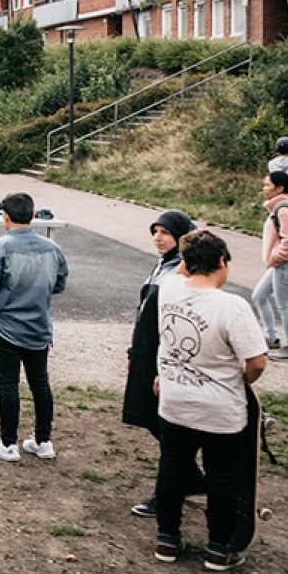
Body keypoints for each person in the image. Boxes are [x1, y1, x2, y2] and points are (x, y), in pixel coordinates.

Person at [152, 229, 268, 571]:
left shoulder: (169, 290)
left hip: (174, 402)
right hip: (221, 410)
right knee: (222, 477)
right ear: (222, 262)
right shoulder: (231, 306)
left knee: (172, 469)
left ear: (185, 264)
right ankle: (219, 548)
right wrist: (243, 379)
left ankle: (167, 539)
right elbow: (257, 361)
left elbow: (178, 274)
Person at [0, 192, 69, 463]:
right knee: (40, 383)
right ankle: (43, 439)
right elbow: (60, 284)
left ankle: (7, 442)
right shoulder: (52, 248)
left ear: (5, 216)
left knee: (8, 384)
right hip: (39, 326)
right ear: (34, 215)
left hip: (6, 326)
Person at [124, 209, 195, 520]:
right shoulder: (164, 265)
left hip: (164, 354)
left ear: (181, 236)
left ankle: (171, 488)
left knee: (168, 425)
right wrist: (133, 353)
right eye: (155, 232)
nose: (158, 238)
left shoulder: (185, 270)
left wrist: (165, 367)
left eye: (165, 233)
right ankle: (189, 476)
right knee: (150, 417)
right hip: (146, 349)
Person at [253, 170, 288, 356]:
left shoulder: (284, 209)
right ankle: (272, 338)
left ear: (279, 189)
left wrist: (276, 257)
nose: (264, 188)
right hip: (278, 264)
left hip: (284, 264)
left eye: (267, 185)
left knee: (284, 305)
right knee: (258, 296)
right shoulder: (279, 207)